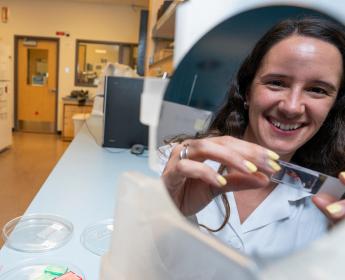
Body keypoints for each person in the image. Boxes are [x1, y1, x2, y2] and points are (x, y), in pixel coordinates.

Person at [161, 17, 345, 259]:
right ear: (248, 91)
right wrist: (168, 213)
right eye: (277, 83)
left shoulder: (331, 204)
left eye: (317, 90)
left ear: (332, 106)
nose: (291, 107)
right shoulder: (175, 167)